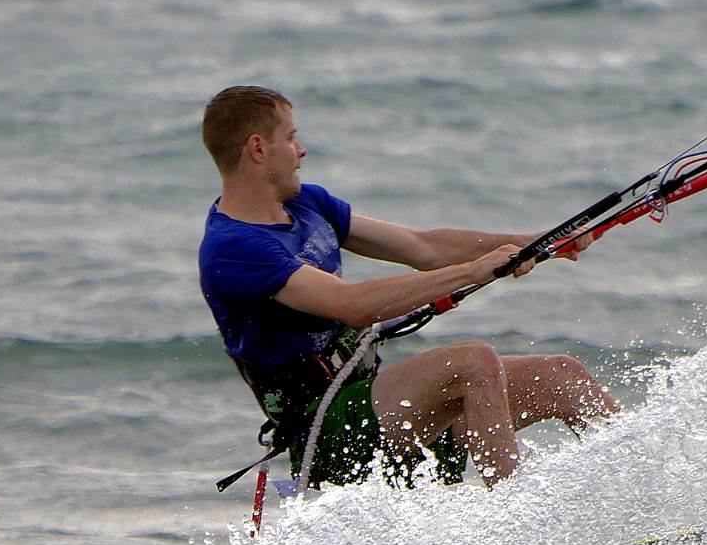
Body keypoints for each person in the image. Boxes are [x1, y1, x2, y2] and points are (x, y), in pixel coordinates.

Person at [198, 85, 618, 489]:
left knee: (564, 377)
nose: (302, 150)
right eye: (291, 138)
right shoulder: (235, 248)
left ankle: (642, 504)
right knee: (471, 362)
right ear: (258, 149)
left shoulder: (307, 203)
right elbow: (351, 305)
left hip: (382, 403)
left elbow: (424, 247)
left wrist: (532, 242)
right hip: (327, 432)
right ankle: (517, 531)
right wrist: (474, 271)